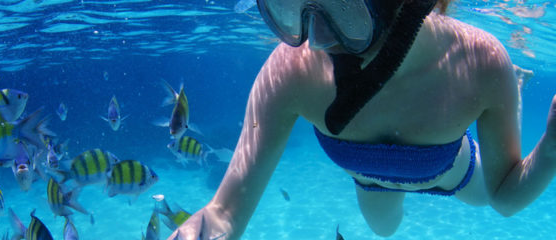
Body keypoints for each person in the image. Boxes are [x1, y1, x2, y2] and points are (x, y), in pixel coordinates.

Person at [168, 0, 556, 239]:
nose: (316, 38)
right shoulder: (289, 72)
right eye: (293, 4)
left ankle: (503, 106)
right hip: (371, 182)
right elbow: (224, 213)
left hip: (448, 169)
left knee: (484, 198)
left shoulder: (480, 63)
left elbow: (507, 197)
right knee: (384, 230)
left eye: (342, 6)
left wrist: (552, 147)